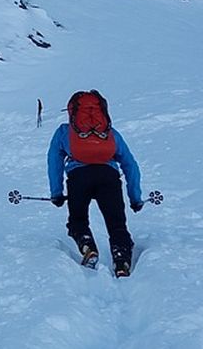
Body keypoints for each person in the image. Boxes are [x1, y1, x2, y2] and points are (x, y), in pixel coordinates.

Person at [47, 90, 143, 276]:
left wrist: (56, 193)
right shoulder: (110, 134)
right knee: (117, 224)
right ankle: (121, 260)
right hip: (108, 177)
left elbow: (54, 162)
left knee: (77, 220)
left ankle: (87, 245)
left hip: (78, 178)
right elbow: (130, 164)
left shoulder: (64, 132)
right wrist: (135, 198)